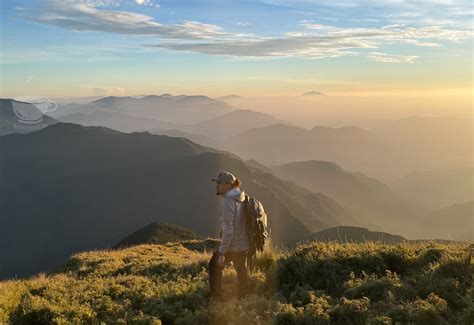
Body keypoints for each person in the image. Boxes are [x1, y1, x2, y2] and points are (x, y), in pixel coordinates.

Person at [208, 171, 249, 299]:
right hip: (243, 243)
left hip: (232, 245)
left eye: (219, 183)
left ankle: (218, 297)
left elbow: (228, 230)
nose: (217, 186)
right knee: (241, 268)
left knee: (214, 266)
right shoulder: (241, 197)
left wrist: (222, 252)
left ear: (228, 184)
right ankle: (243, 296)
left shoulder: (228, 201)